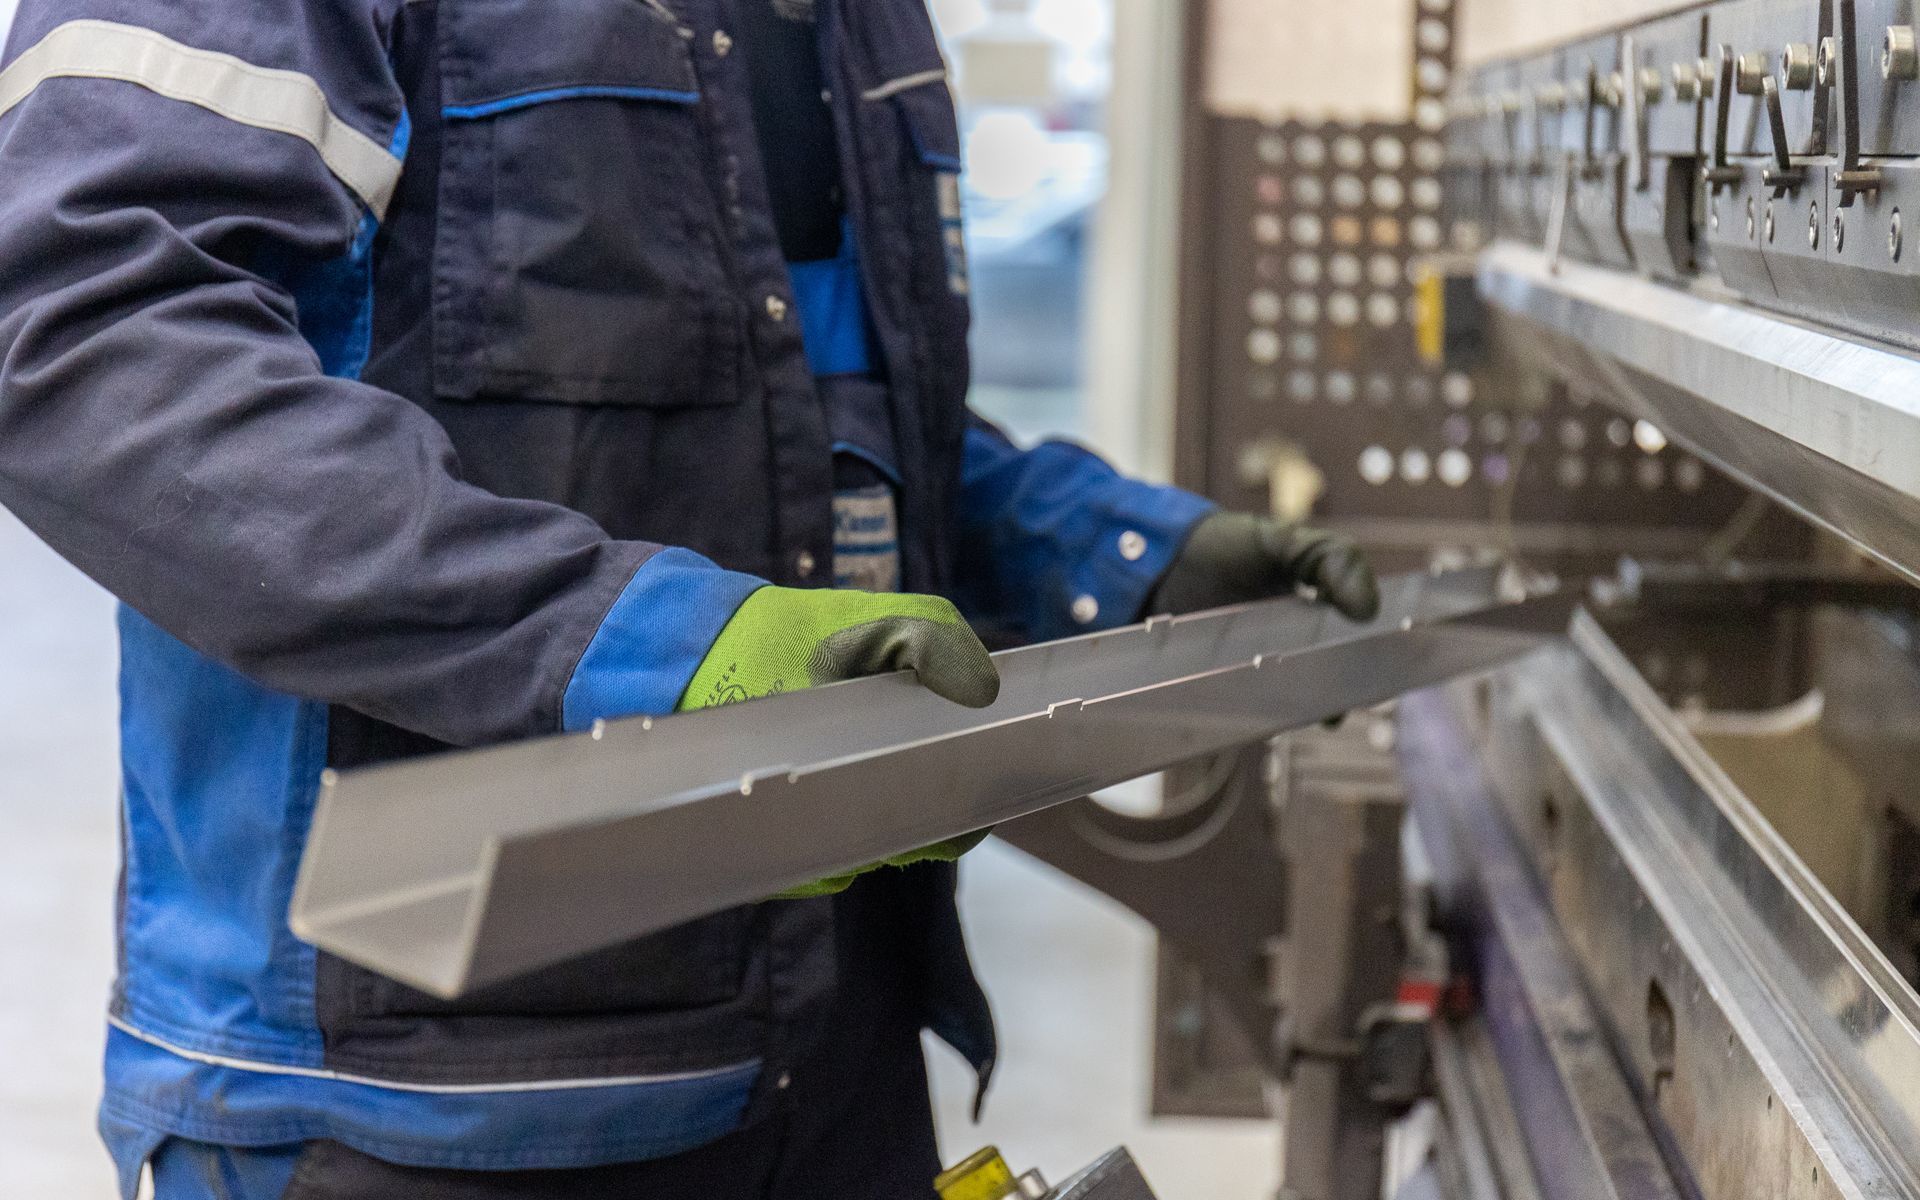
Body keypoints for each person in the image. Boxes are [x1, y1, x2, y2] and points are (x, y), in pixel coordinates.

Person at [0, 0, 1379, 1196]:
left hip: (827, 1056)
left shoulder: (848, 24)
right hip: (419, 1103)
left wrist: (1111, 551)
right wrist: (654, 646)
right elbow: (88, 343)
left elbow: (823, 419)